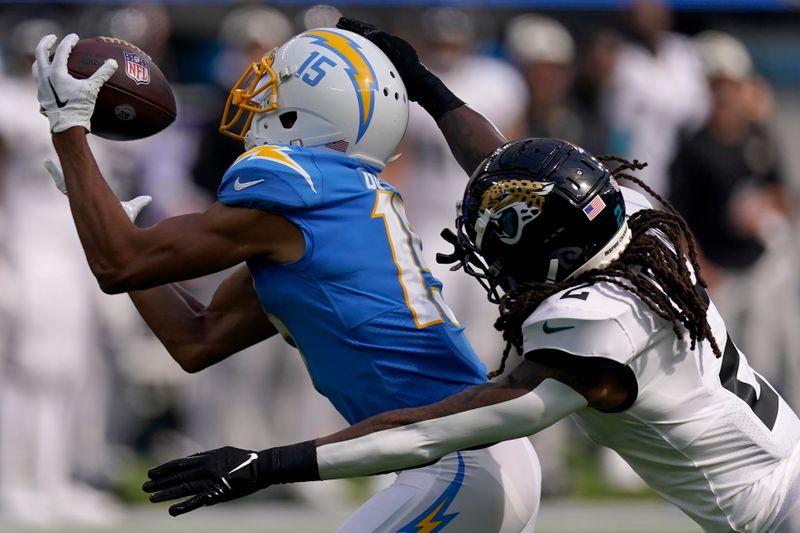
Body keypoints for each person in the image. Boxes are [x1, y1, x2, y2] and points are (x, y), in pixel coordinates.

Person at [143, 22, 800, 533]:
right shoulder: (638, 234)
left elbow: (435, 428)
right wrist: (422, 82)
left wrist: (270, 462)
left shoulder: (596, 328)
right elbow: (506, 164)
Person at [32, 21, 540, 533]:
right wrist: (101, 213)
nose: (256, 96)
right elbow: (195, 339)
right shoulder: (333, 201)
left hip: (456, 461)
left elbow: (121, 263)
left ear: (313, 107)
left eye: (273, 84)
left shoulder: (300, 186)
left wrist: (69, 127)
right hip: (466, 455)